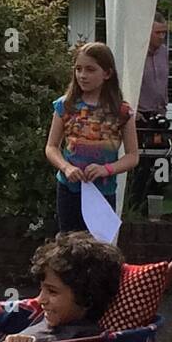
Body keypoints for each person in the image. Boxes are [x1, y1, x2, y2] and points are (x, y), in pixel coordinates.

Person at [45, 42, 139, 233]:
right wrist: (66, 167)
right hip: (69, 189)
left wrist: (107, 169)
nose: (82, 75)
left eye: (90, 70)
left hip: (102, 192)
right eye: (78, 69)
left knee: (99, 248)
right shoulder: (65, 105)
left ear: (107, 73)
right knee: (69, 245)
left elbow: (132, 156)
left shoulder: (121, 111)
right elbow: (51, 147)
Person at [127, 12, 170, 215]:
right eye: (158, 33)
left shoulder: (164, 52)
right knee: (140, 165)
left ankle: (153, 208)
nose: (162, 37)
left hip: (159, 115)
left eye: (164, 32)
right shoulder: (135, 53)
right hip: (139, 116)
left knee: (162, 161)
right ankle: (132, 207)